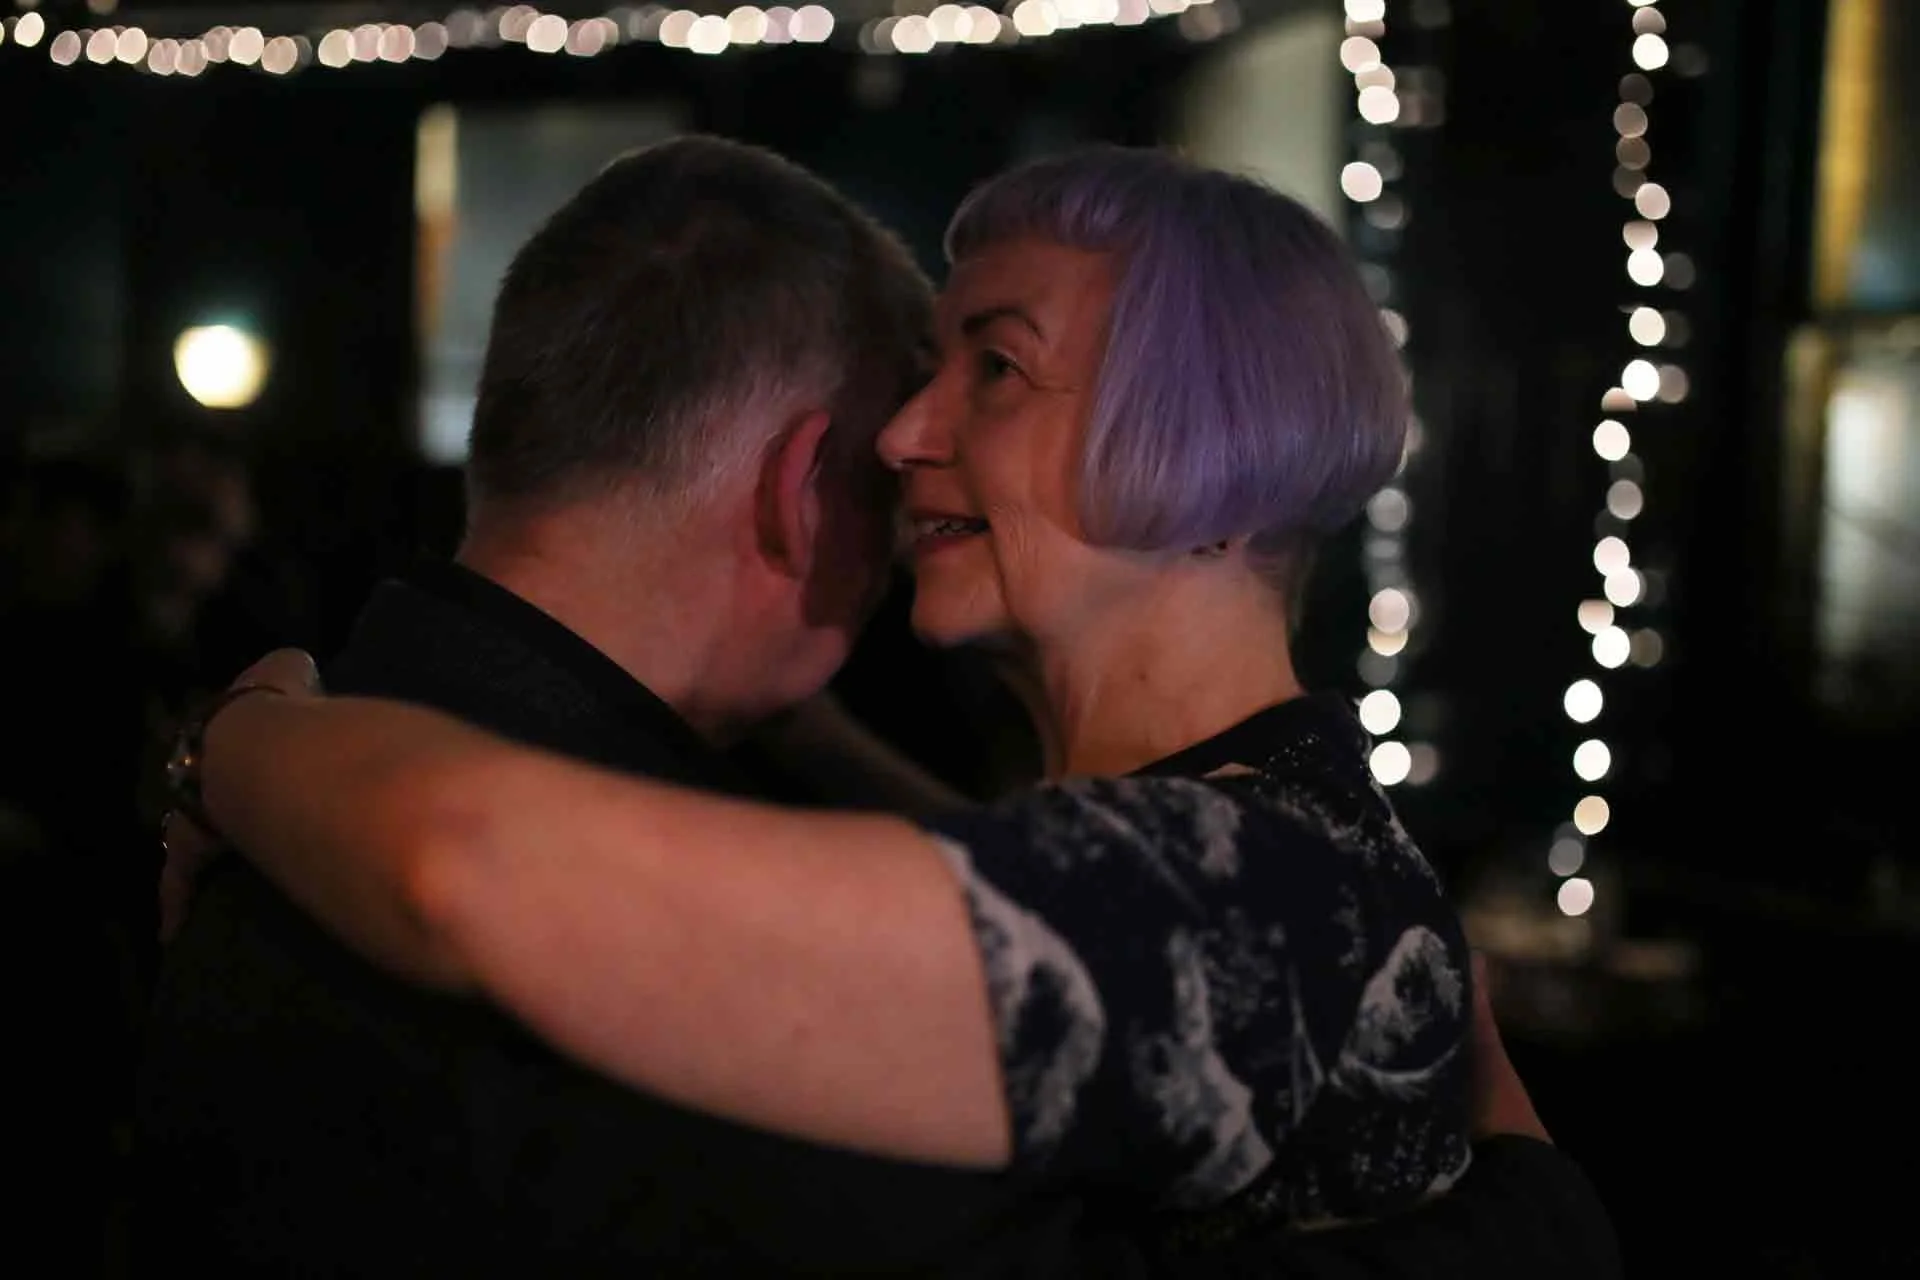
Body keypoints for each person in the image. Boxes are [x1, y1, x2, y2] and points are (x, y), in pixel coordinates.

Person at [156, 140, 1618, 1275]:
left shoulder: (1252, 892)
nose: (905, 439)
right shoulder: (1237, 863)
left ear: (1214, 433)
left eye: (993, 368)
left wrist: (237, 738)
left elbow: (467, 862)